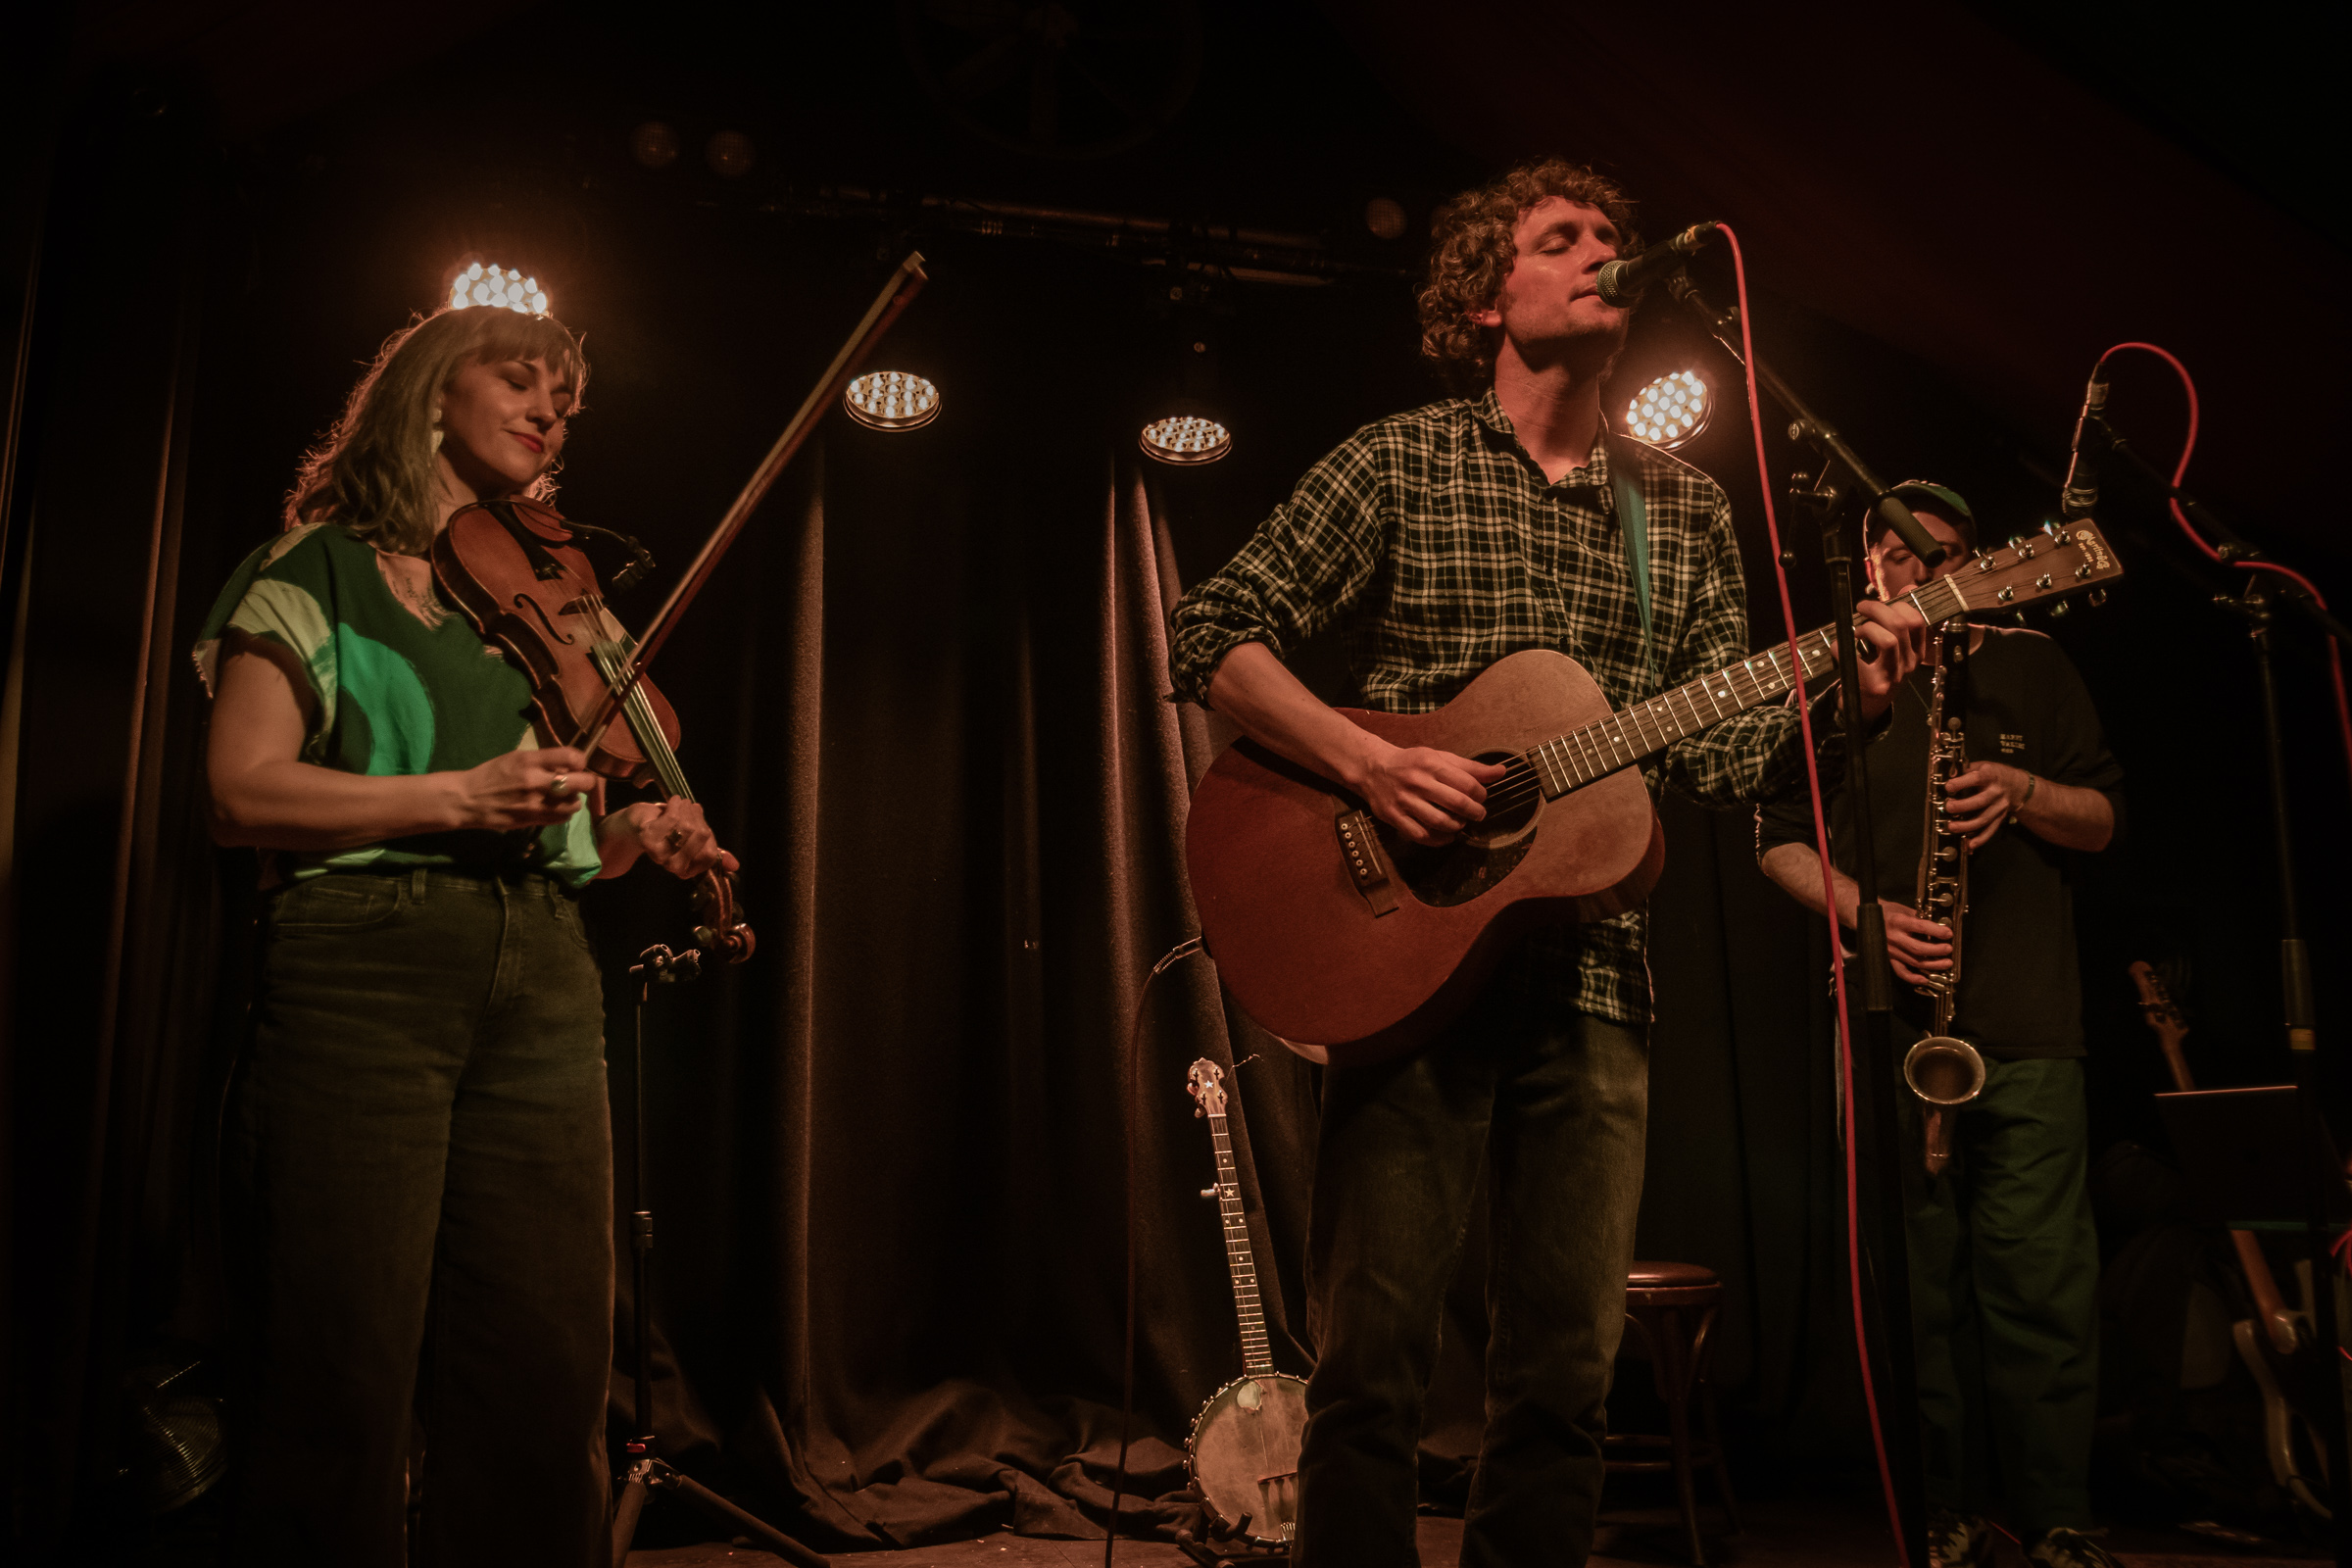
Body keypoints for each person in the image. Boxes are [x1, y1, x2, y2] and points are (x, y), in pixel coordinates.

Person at [1165, 156, 1927, 1568]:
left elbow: (1710, 762)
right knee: (1373, 1368)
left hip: (1595, 985)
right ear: (1482, 298)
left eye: (1611, 240)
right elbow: (1212, 634)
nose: (1600, 255)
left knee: (1563, 1386)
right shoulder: (1403, 459)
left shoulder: (1683, 512)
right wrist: (1375, 763)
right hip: (1404, 960)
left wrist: (1852, 694)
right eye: (1560, 237)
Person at [195, 301, 729, 1567]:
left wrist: (629, 838)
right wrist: (458, 795)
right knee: (341, 1365)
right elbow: (238, 793)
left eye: (568, 401)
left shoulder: (555, 602)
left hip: (542, 966)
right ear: (434, 390)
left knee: (545, 1376)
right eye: (523, 380)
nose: (552, 410)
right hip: (358, 965)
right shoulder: (311, 568)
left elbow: (561, 847)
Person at [1755, 485, 2124, 1568]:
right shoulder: (1830, 679)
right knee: (1915, 1290)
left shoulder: (2031, 663)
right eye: (1912, 558)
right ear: (1872, 565)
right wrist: (1867, 915)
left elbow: (2103, 819)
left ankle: (2058, 1516)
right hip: (1888, 1024)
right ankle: (1941, 1514)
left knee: (2044, 1284)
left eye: (1955, 555)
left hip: (2029, 1022)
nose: (1935, 577)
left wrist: (2021, 788)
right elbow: (1775, 836)